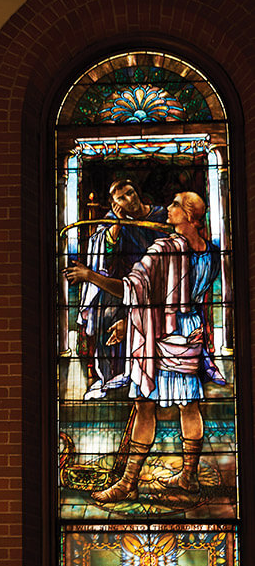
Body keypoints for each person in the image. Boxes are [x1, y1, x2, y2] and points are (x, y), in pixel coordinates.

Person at [64, 191, 221, 503]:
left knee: (144, 405)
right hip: (190, 332)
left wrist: (89, 275)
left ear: (189, 216)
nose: (168, 208)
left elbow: (130, 289)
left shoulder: (163, 249)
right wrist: (131, 320)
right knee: (189, 405)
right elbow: (176, 295)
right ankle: (188, 477)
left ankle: (129, 483)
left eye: (175, 204)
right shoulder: (211, 253)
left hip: (160, 337)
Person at [76, 179, 167, 399]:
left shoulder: (161, 214)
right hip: (124, 284)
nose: (129, 199)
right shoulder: (111, 221)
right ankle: (114, 376)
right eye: (122, 198)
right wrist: (117, 225)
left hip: (159, 283)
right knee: (106, 314)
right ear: (115, 204)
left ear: (137, 192)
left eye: (131, 193)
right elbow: (104, 259)